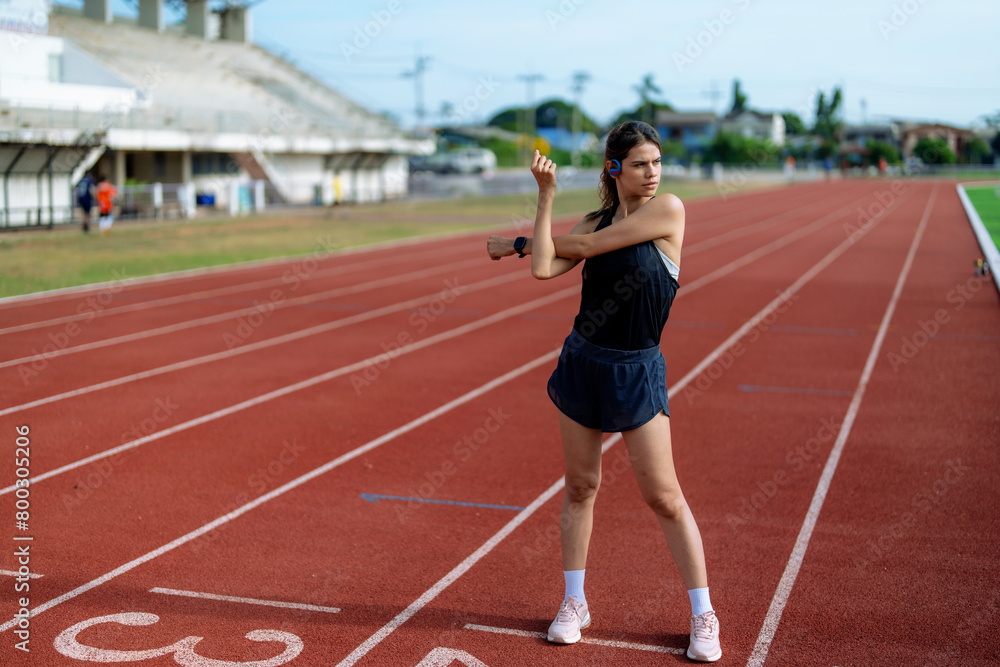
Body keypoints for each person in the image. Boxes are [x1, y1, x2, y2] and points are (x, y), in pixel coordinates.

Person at [486, 121, 722, 662]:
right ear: (613, 169)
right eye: (641, 164)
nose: (653, 174)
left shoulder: (668, 212)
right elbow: (547, 267)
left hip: (636, 368)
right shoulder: (593, 216)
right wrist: (546, 198)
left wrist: (516, 243)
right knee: (580, 488)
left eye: (657, 163)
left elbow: (583, 247)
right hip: (584, 361)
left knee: (663, 496)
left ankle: (703, 613)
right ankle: (575, 602)